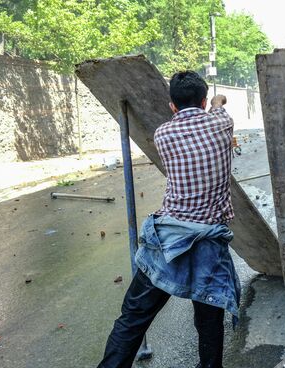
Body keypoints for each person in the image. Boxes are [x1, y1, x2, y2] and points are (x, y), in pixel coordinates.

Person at [97, 71, 238, 368]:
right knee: (209, 320)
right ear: (203, 101)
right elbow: (220, 104)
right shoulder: (222, 123)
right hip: (209, 242)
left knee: (133, 317)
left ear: (172, 106)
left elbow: (190, 117)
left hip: (168, 239)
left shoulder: (163, 135)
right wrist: (216, 101)